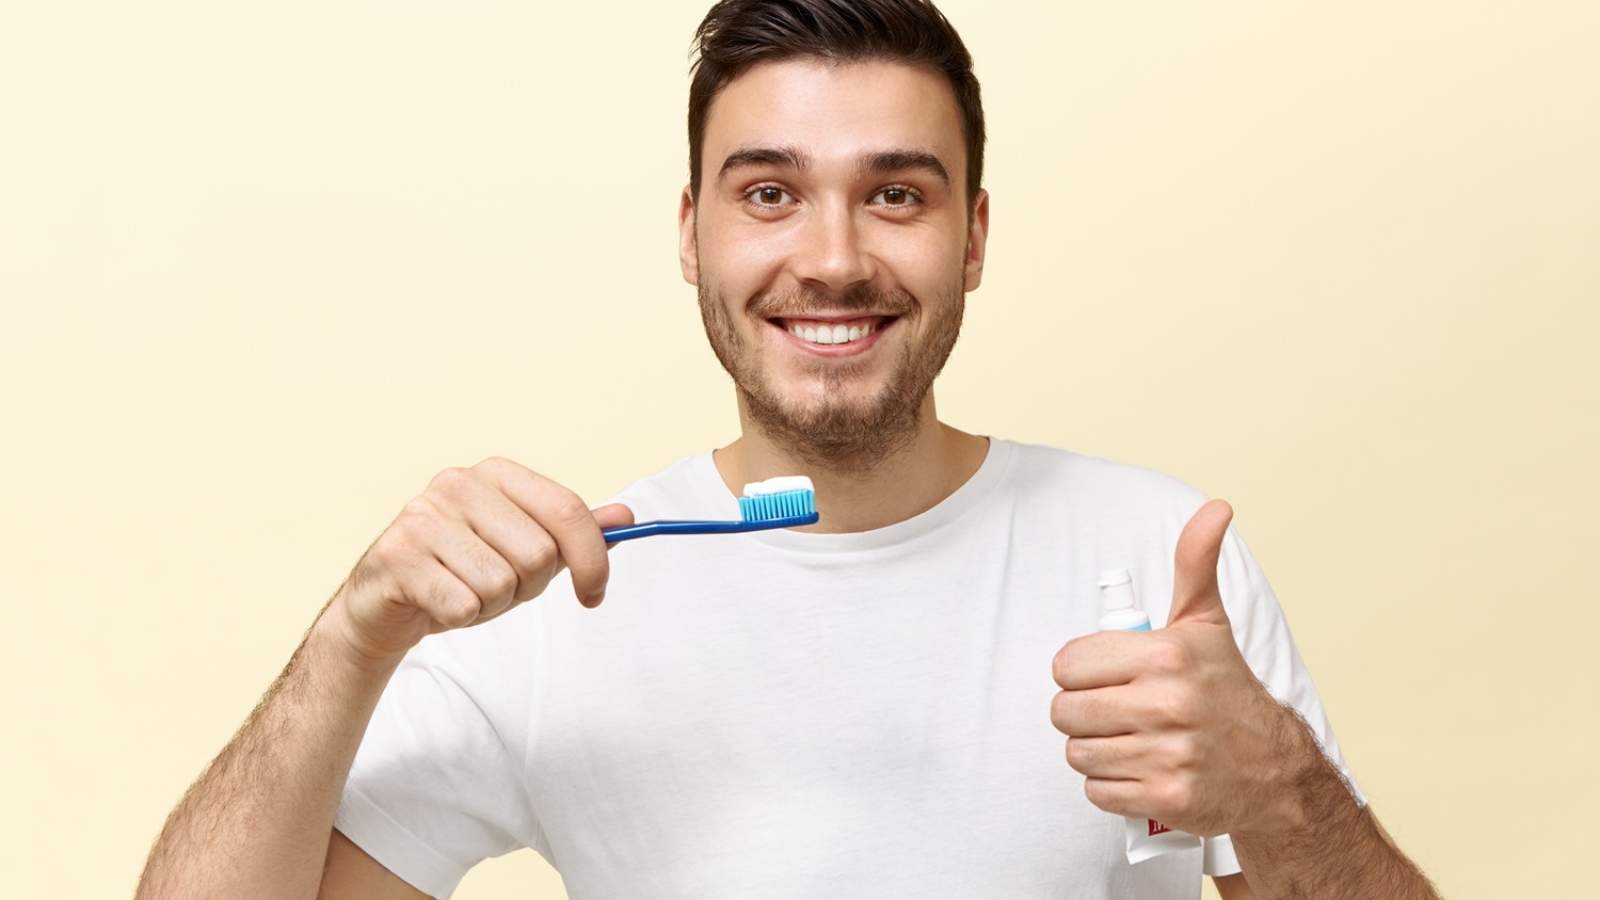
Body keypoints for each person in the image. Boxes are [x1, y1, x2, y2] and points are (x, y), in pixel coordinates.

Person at [137, 1, 1439, 898]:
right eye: (769, 193)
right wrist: (355, 635)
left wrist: (1280, 792)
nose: (831, 257)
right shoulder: (564, 595)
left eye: (895, 193)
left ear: (973, 236)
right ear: (691, 233)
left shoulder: (1160, 565)